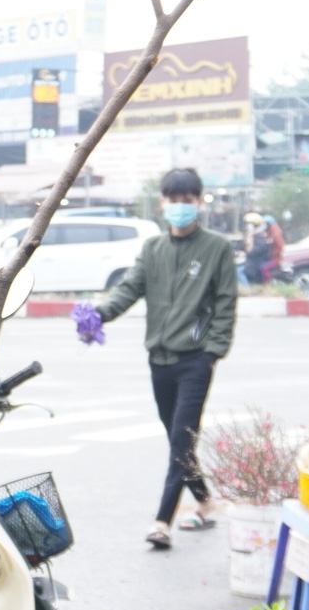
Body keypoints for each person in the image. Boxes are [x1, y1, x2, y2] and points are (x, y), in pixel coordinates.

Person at [94, 167, 238, 550]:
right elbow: (129, 288)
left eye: (187, 201)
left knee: (179, 439)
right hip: (159, 360)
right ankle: (206, 503)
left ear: (198, 201)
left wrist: (214, 351)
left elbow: (225, 303)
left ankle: (162, 522)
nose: (180, 207)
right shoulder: (152, 249)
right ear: (163, 203)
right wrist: (98, 314)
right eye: (174, 201)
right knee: (180, 442)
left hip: (195, 361)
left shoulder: (216, 248)